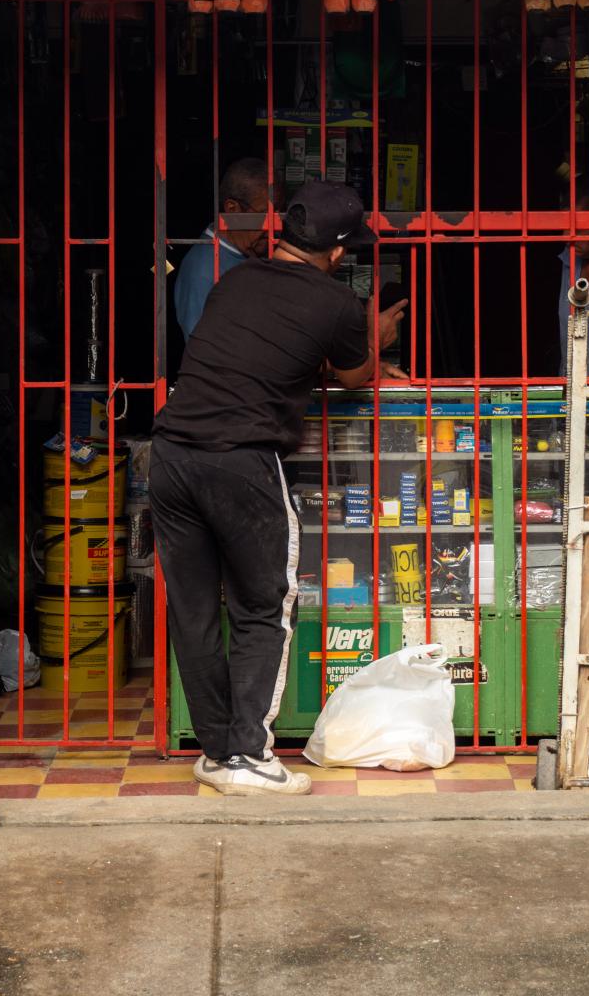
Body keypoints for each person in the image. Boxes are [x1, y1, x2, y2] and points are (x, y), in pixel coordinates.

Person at [150, 181, 407, 795]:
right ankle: (247, 755)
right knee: (265, 606)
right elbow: (351, 377)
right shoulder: (336, 304)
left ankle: (216, 752)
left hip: (171, 454)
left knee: (193, 612)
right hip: (240, 460)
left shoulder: (234, 280)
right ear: (339, 254)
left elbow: (256, 350)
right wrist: (377, 342)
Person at [173, 158, 283, 340]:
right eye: (265, 215)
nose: (275, 225)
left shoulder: (253, 252)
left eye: (279, 213)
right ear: (232, 209)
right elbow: (204, 350)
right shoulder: (203, 270)